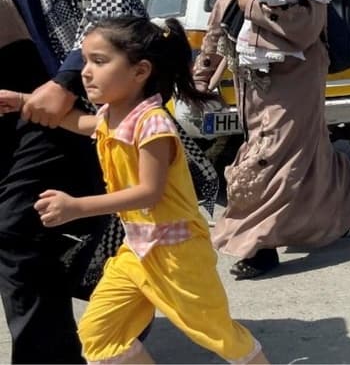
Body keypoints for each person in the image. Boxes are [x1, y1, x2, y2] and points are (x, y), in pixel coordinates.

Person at [0, 18, 268, 364]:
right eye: (85, 61)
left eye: (99, 61)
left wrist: (77, 206)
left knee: (215, 331)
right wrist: (24, 100)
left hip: (177, 254)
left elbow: (148, 192)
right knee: (100, 334)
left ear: (140, 71)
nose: (85, 72)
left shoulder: (153, 124)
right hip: (136, 252)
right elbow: (80, 122)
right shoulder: (112, 116)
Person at [0, 0, 147, 361]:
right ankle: (130, 294)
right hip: (10, 110)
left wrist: (65, 81)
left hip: (56, 108)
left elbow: (116, 0)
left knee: (18, 226)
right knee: (40, 236)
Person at [193, 0, 350, 279]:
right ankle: (344, 209)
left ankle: (259, 245)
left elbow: (302, 29)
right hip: (255, 86)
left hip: (294, 82)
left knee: (269, 158)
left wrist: (250, 2)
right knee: (309, 154)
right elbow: (217, 27)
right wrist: (202, 73)